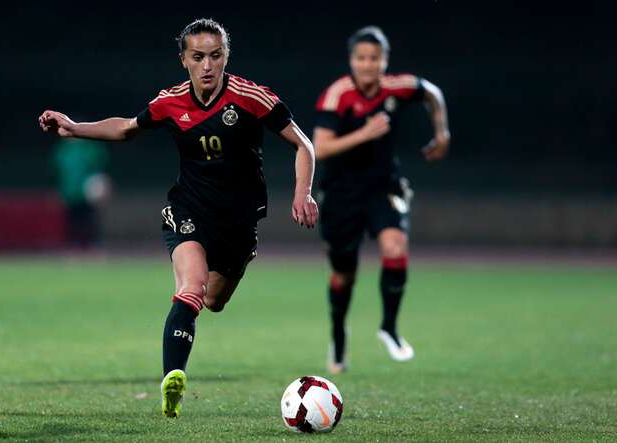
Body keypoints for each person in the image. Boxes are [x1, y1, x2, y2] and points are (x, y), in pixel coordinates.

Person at [39, 18, 318, 418]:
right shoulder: (170, 102)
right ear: (184, 60)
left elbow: (303, 144)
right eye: (198, 56)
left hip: (238, 223)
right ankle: (174, 379)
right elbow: (127, 129)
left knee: (213, 299)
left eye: (215, 56)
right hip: (188, 210)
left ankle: (188, 330)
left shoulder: (249, 97)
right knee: (192, 286)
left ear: (226, 58)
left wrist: (303, 191)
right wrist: (74, 127)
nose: (207, 66)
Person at [313, 26, 450, 374]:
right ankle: (338, 335)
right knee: (344, 275)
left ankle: (389, 327)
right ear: (352, 61)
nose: (368, 64)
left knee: (394, 247)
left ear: (385, 61)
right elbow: (321, 147)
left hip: (382, 188)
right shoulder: (337, 95)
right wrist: (364, 133)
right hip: (341, 194)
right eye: (362, 58)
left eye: (375, 58)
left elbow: (431, 91)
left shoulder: (396, 87)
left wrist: (442, 131)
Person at [51, 137, 111, 249]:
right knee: (73, 221)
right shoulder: (62, 149)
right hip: (69, 193)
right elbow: (56, 171)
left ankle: (94, 245)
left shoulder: (89, 147)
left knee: (89, 220)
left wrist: (102, 186)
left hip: (87, 194)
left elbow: (99, 168)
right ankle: (74, 245)